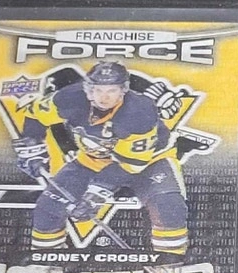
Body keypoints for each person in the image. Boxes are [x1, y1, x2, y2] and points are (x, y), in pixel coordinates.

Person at [12, 62, 188, 256]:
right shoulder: (68, 98)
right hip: (94, 159)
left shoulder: (140, 112)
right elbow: (35, 115)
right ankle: (45, 260)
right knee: (49, 208)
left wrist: (94, 196)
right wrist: (32, 145)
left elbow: (132, 164)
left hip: (151, 161)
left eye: (112, 90)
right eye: (98, 90)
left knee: (168, 207)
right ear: (88, 90)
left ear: (123, 90)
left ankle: (171, 263)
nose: (104, 97)